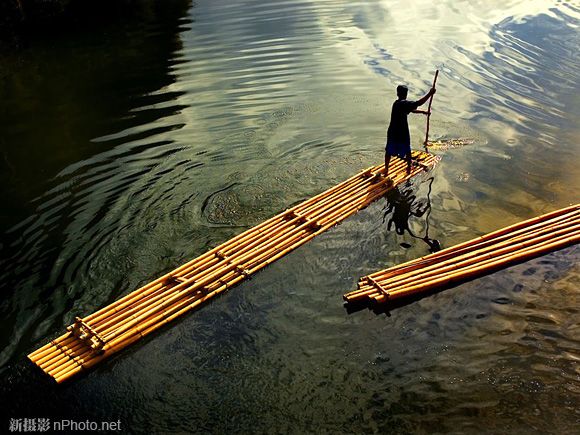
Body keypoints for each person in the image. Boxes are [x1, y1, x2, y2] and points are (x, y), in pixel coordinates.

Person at [384, 84, 435, 177]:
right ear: (406, 94)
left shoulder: (397, 103)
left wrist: (423, 112)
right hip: (402, 132)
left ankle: (386, 168)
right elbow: (418, 103)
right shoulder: (403, 103)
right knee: (407, 150)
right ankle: (408, 168)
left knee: (389, 150)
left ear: (397, 93)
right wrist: (430, 94)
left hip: (392, 131)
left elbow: (411, 109)